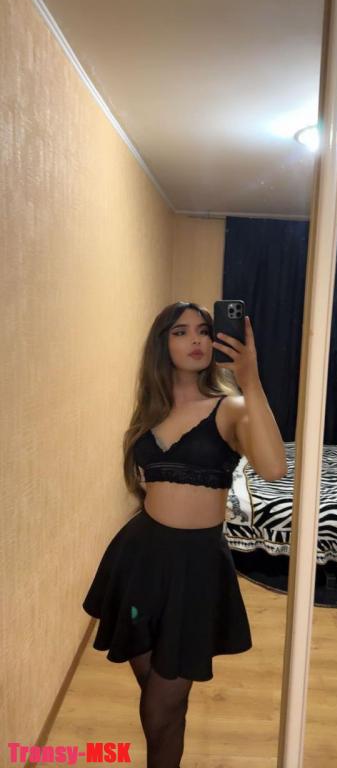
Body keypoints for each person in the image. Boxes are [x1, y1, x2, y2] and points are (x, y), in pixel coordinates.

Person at [82, 301, 287, 768]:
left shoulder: (231, 408)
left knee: (164, 705)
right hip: (140, 561)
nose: (196, 339)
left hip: (196, 569)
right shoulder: (150, 411)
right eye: (180, 331)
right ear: (163, 344)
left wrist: (252, 381)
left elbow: (274, 468)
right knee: (160, 700)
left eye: (203, 330)